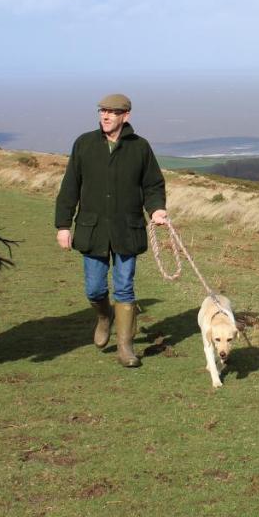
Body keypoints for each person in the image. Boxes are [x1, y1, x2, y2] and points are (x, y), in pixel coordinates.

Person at [54, 94, 168, 367]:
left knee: (125, 289)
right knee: (94, 289)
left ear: (125, 116)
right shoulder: (84, 144)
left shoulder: (140, 147)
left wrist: (157, 209)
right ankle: (105, 317)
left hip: (127, 230)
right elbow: (70, 187)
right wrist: (63, 225)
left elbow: (153, 185)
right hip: (91, 230)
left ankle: (125, 348)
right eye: (102, 111)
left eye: (112, 112)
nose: (105, 116)